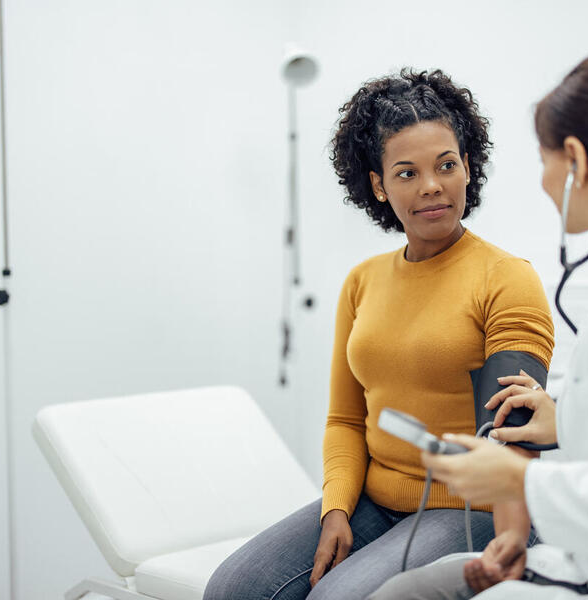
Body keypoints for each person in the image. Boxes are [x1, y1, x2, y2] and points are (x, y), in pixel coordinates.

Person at [369, 50, 588, 600]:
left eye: (545, 159)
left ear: (575, 159)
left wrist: (521, 481)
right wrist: (568, 421)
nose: (546, 181)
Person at [203, 69, 554, 600]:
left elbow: (508, 438)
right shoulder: (362, 282)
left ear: (467, 167)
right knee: (234, 587)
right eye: (407, 172)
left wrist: (511, 538)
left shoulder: (505, 278)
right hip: (374, 499)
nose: (431, 185)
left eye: (446, 165)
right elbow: (345, 418)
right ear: (379, 185)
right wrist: (336, 509)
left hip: (470, 506)